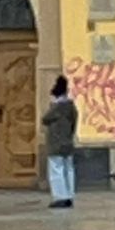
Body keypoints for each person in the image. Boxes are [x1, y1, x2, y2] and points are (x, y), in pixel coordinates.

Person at [42, 74, 78, 207]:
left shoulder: (56, 108)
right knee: (69, 169)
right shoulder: (71, 107)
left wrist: (52, 105)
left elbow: (45, 119)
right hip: (68, 141)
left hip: (55, 143)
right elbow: (74, 124)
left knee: (56, 169)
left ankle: (60, 197)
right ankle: (69, 195)